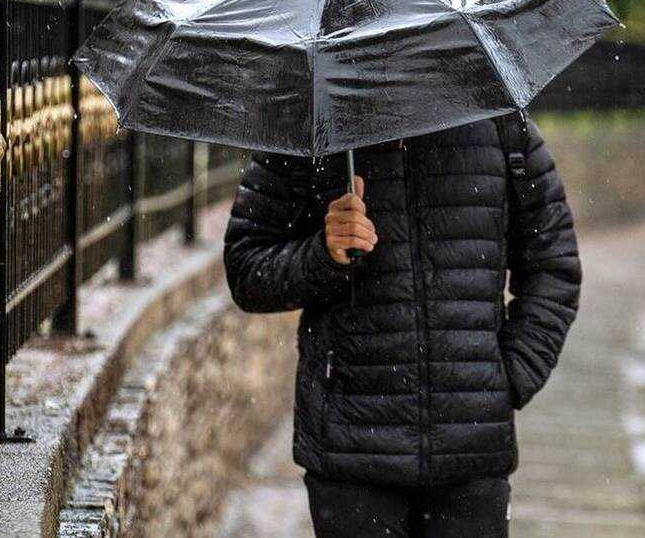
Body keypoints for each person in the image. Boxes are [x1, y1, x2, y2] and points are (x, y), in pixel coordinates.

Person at [224, 115, 581, 538]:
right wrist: (324, 254)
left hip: (470, 452)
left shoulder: (501, 125)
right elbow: (247, 270)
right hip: (351, 448)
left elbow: (553, 266)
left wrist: (509, 377)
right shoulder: (310, 129)